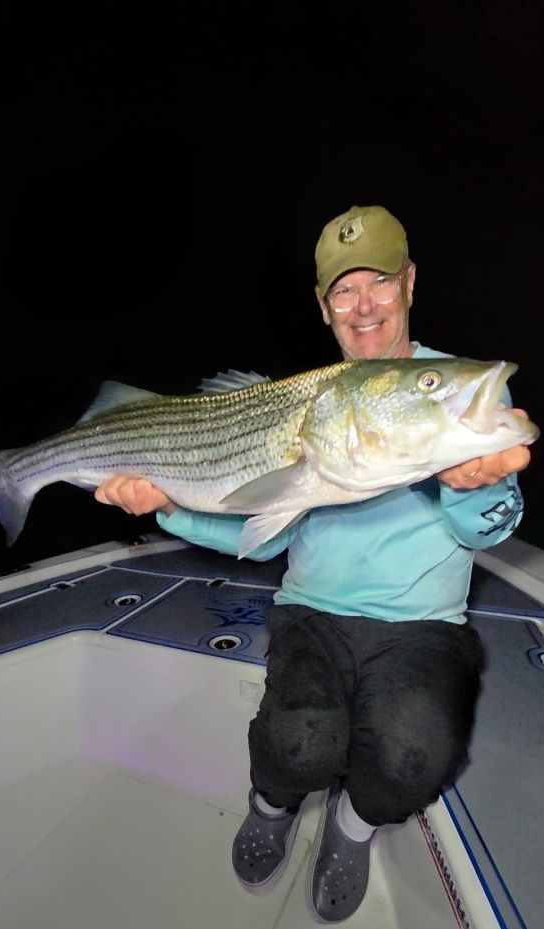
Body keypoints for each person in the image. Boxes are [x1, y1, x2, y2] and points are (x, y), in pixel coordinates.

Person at [94, 205, 532, 923]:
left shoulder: (454, 392)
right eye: (343, 290)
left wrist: (469, 484)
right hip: (312, 612)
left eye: (379, 283)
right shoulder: (315, 397)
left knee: (413, 755)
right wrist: (161, 505)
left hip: (420, 623)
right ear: (324, 306)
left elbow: (497, 524)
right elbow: (262, 539)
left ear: (409, 283)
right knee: (297, 742)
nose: (363, 306)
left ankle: (350, 828)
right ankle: (271, 806)